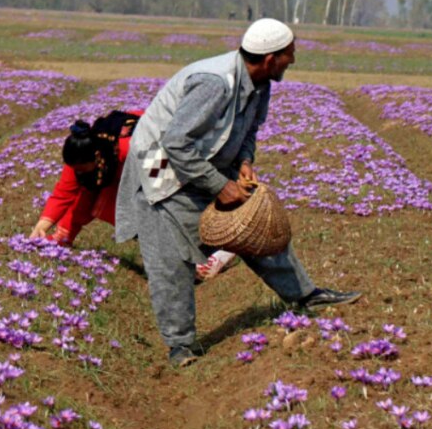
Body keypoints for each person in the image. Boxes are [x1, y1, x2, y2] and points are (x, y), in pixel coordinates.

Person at [114, 18, 362, 368]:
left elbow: (249, 130)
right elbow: (175, 142)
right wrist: (220, 186)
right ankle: (180, 346)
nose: (293, 60)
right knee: (171, 263)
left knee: (259, 227)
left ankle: (306, 295)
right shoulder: (214, 84)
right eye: (289, 54)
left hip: (205, 167)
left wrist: (245, 160)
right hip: (163, 175)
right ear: (270, 58)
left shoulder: (260, 85)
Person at [31, 111, 238, 281]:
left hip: (164, 155)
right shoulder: (80, 157)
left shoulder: (129, 147)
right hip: (130, 169)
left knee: (154, 207)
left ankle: (213, 252)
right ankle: (179, 258)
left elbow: (166, 181)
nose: (77, 173)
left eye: (81, 169)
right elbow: (65, 194)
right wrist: (42, 226)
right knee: (100, 203)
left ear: (97, 157)